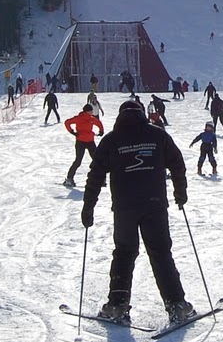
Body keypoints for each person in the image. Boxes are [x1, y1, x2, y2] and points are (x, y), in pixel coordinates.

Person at [80, 98, 195, 326]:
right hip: (155, 205)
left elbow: (95, 175)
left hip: (125, 208)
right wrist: (180, 192)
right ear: (142, 113)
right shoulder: (158, 135)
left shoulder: (111, 140)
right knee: (161, 253)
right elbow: (177, 162)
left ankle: (117, 306)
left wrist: (88, 206)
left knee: (124, 253)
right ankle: (177, 305)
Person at [63, 103, 104, 187]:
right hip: (85, 142)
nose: (92, 112)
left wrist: (72, 132)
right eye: (91, 110)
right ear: (87, 111)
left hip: (85, 141)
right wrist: (101, 131)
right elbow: (67, 122)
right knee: (92, 160)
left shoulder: (87, 118)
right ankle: (100, 179)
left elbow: (67, 122)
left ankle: (69, 179)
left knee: (83, 161)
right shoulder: (86, 118)